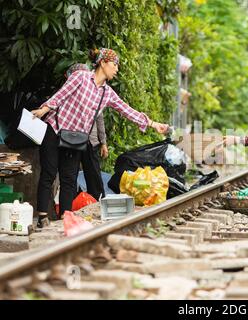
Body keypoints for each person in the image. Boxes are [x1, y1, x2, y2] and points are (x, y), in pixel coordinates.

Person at [32, 48, 169, 227]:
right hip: (55, 129)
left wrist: (152, 124)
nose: (116, 69)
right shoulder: (80, 77)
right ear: (103, 63)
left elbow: (127, 110)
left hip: (74, 139)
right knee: (49, 173)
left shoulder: (107, 93)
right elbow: (60, 95)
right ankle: (42, 216)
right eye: (114, 64)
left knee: (69, 179)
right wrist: (43, 109)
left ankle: (64, 220)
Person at [65, 63, 108, 200]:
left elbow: (99, 118)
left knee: (94, 174)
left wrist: (103, 142)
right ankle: (69, 206)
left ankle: (98, 203)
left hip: (90, 141)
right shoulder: (69, 92)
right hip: (72, 139)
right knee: (70, 176)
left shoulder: (95, 93)